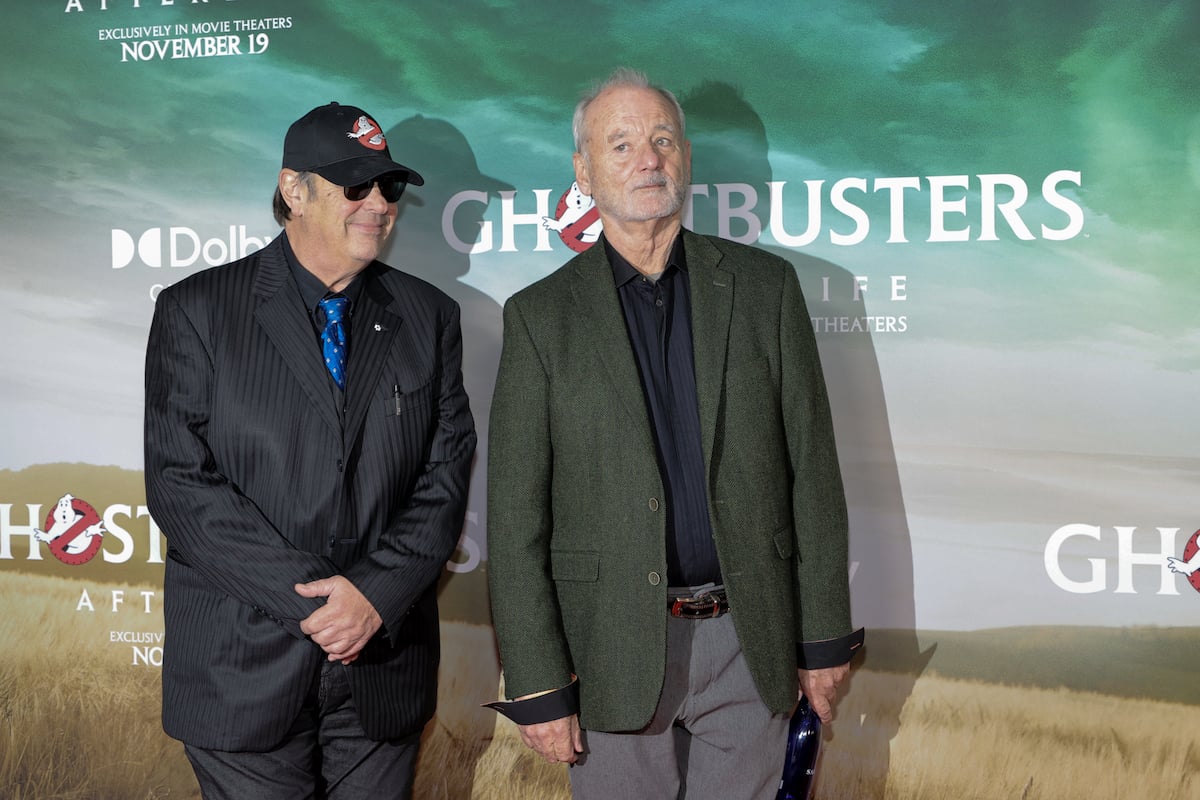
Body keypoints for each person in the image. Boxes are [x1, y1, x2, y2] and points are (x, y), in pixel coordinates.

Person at [486, 69, 863, 799]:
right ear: (584, 171)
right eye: (620, 144)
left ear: (686, 157)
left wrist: (822, 640)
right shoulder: (540, 318)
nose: (647, 159)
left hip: (747, 639)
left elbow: (813, 473)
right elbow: (515, 516)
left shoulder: (764, 289)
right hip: (611, 646)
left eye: (662, 140)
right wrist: (536, 684)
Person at [144, 101, 476, 799]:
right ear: (294, 191)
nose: (379, 205)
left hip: (381, 673)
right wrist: (320, 606)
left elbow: (444, 480)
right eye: (356, 187)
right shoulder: (196, 310)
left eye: (389, 188)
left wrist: (373, 597)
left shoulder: (429, 316)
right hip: (241, 668)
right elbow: (181, 484)